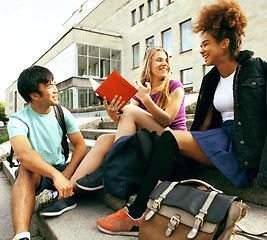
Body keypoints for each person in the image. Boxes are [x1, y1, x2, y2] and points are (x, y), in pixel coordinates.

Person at [96, 0, 267, 236]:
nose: (201, 49)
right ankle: (152, 200)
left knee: (169, 139)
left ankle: (135, 214)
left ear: (224, 44)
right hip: (220, 139)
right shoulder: (211, 79)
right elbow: (204, 127)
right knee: (168, 142)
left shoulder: (255, 69)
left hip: (244, 141)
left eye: (206, 44)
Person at [71, 46, 187, 192]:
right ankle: (68, 191)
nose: (165, 63)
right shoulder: (140, 90)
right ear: (148, 64)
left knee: (130, 110)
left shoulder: (175, 86)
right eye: (159, 60)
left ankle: (110, 169)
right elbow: (126, 122)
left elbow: (167, 120)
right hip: (149, 140)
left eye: (166, 60)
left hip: (173, 142)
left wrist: (146, 98)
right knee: (103, 140)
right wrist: (112, 113)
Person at [8, 66, 87, 240]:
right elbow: (24, 154)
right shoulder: (18, 120)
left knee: (96, 156)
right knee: (25, 168)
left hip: (61, 167)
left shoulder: (61, 113)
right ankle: (21, 235)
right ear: (34, 95)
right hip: (38, 174)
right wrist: (55, 176)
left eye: (54, 84)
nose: (56, 90)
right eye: (49, 86)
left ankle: (60, 196)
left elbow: (80, 145)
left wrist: (65, 172)